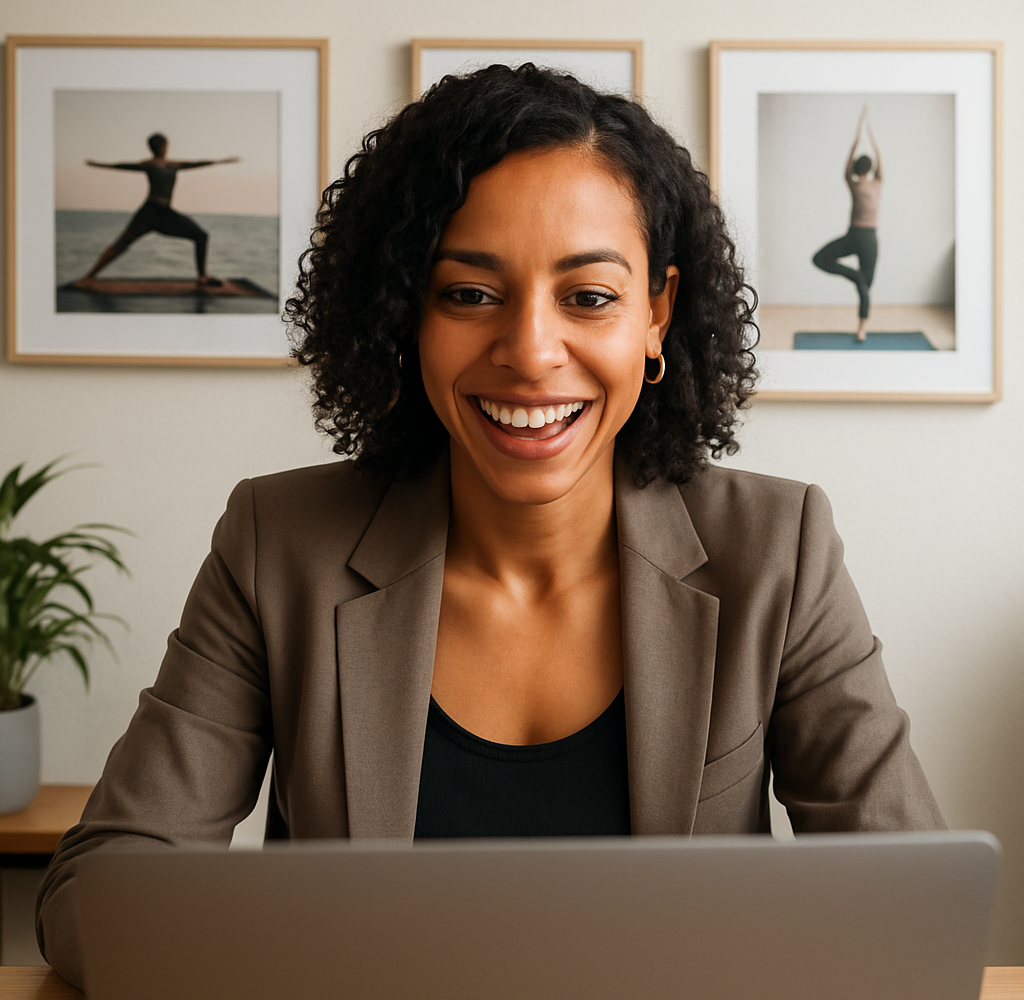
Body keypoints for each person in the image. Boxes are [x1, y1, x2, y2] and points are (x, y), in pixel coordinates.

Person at [36, 66, 942, 988]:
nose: (530, 353)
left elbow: (913, 907)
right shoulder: (280, 544)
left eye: (588, 297)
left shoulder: (777, 547)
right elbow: (98, 894)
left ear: (657, 315)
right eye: (470, 294)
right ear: (405, 315)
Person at [73, 133, 239, 288]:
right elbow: (123, 166)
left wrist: (221, 161)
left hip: (163, 213)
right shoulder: (153, 165)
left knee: (201, 235)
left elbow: (196, 163)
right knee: (121, 245)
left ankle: (202, 276)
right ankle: (89, 276)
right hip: (149, 214)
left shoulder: (170, 164)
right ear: (162, 147)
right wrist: (99, 164)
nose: (165, 148)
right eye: (163, 145)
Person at [812, 106, 882, 342]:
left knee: (864, 285)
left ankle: (861, 329)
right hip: (862, 236)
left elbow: (862, 162)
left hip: (863, 237)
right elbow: (877, 159)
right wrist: (863, 134)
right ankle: (856, 279)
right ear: (868, 168)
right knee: (859, 281)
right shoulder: (868, 183)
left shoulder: (872, 182)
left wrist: (862, 133)